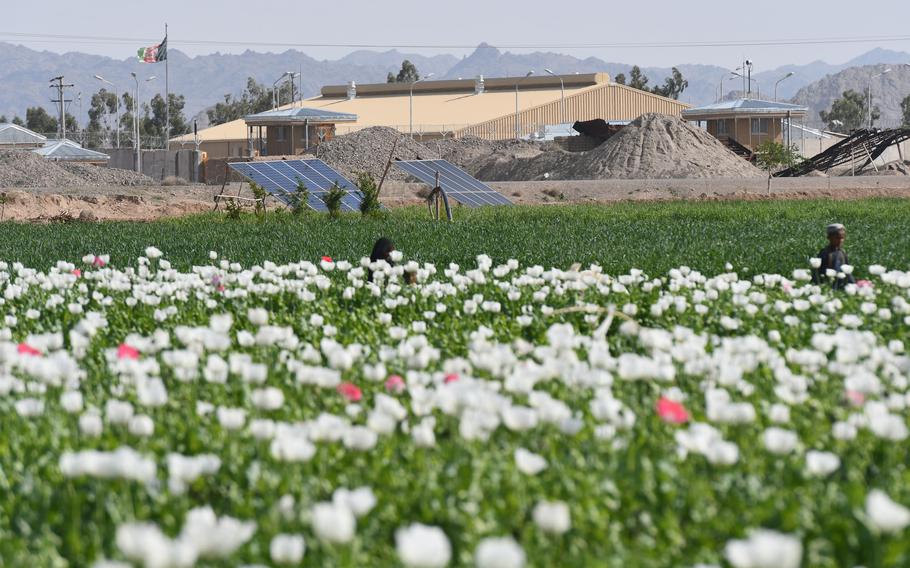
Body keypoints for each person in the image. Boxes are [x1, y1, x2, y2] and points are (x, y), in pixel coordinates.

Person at [813, 223, 855, 290]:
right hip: (828, 287)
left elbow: (848, 273)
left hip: (841, 287)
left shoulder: (842, 253)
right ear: (829, 237)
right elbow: (818, 274)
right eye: (837, 238)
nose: (840, 240)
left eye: (842, 238)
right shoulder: (825, 253)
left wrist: (853, 285)